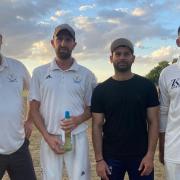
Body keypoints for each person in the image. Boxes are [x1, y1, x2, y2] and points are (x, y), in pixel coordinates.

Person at [29, 24, 97, 180]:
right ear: (52, 42)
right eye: (59, 39)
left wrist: (78, 119)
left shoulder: (86, 75)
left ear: (74, 44)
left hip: (77, 137)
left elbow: (91, 108)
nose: (63, 43)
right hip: (50, 137)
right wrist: (46, 136)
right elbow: (34, 109)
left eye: (68, 39)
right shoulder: (39, 73)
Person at [91, 38, 159, 180]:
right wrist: (99, 160)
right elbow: (96, 126)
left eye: (126, 54)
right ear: (111, 58)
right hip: (111, 156)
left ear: (133, 58)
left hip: (141, 156)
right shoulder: (101, 90)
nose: (122, 57)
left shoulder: (146, 86)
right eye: (118, 54)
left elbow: (154, 122)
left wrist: (150, 155)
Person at [0, 34, 36, 179]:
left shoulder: (17, 68)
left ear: (1, 40)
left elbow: (32, 94)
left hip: (18, 146)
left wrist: (30, 120)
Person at [159, 26, 180, 180]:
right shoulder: (168, 73)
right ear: (178, 42)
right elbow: (163, 112)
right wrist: (161, 146)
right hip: (175, 150)